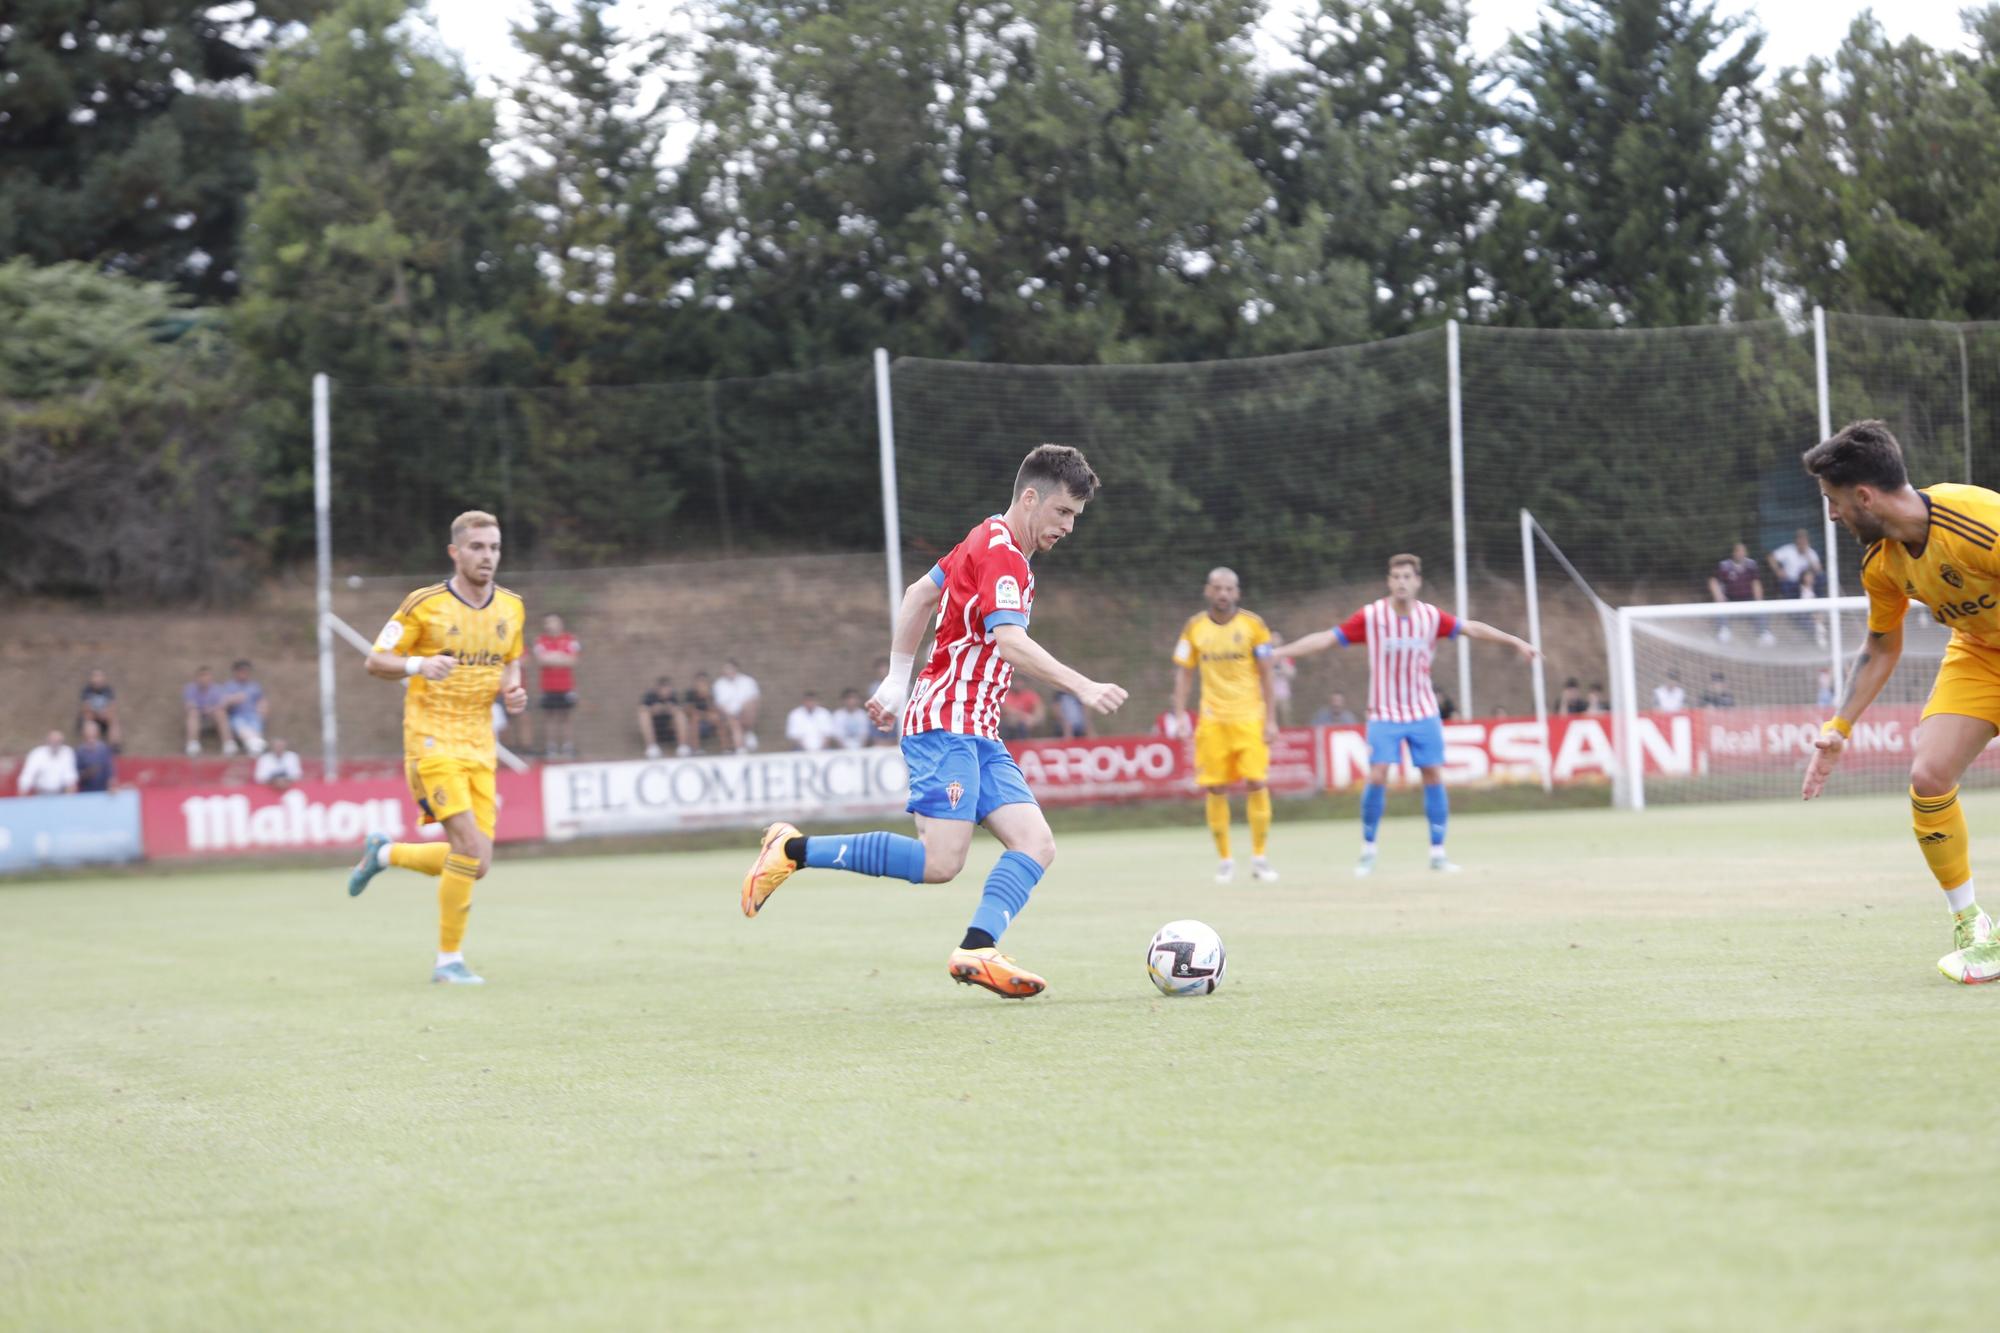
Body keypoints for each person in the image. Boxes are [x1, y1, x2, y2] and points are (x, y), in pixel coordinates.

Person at [739, 443, 1127, 999]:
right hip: (946, 721)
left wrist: (898, 679)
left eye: (1075, 517)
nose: (1068, 527)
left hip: (977, 728)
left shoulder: (987, 536)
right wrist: (1083, 684)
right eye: (1063, 513)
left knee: (1035, 843)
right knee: (941, 862)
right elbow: (1011, 643)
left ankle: (976, 949)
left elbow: (921, 594)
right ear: (1031, 497)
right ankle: (791, 851)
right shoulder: (1004, 555)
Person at [1799, 420, 2000, 983]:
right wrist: (1840, 726)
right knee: (1930, 776)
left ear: (1864, 496)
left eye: (1833, 502)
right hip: (1981, 654)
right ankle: (1975, 931)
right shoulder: (1882, 562)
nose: (1832, 515)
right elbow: (1882, 646)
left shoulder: (1979, 523)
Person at [346, 510, 528, 986]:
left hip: (479, 745)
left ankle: (383, 855)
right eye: (477, 547)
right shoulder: (423, 604)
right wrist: (417, 666)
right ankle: (448, 961)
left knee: (477, 862)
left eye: (493, 548)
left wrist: (513, 689)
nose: (487, 556)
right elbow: (375, 660)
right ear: (455, 552)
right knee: (467, 848)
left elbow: (512, 662)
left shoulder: (511, 607)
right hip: (430, 741)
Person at [1274, 552, 1537, 876]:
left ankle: (1438, 852)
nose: (1401, 582)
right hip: (1383, 712)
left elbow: (1472, 629)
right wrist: (1280, 653)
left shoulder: (1430, 617)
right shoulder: (1371, 616)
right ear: (1389, 581)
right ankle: (1368, 850)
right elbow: (1327, 638)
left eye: (1407, 577)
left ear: (1417, 582)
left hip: (1423, 711)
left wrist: (1514, 642)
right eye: (1396, 577)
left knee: (1433, 775)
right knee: (1377, 775)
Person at [1170, 567, 1280, 884]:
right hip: (1212, 721)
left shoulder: (1254, 626)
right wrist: (1179, 714)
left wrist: (1271, 718)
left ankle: (1259, 857)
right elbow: (1183, 673)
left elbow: (1268, 673)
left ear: (1237, 593)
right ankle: (1226, 860)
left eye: (1229, 589)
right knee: (1215, 787)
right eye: (1217, 588)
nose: (1223, 594)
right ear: (1208, 591)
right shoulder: (1194, 628)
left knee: (1257, 782)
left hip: (1250, 719)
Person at [533, 613, 581, 757]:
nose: (550, 626)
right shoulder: (540, 640)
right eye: (548, 623)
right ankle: (551, 747)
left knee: (566, 717)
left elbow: (573, 661)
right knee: (550, 717)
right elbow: (541, 661)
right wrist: (561, 657)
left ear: (560, 624)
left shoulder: (570, 640)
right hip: (548, 686)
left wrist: (552, 657)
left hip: (566, 686)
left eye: (553, 622)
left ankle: (567, 747)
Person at [1708, 540, 1771, 646]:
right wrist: (1719, 595)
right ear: (1733, 553)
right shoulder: (1724, 565)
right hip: (1730, 600)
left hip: (1748, 600)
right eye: (1738, 551)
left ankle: (1763, 633)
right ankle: (1724, 631)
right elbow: (1713, 581)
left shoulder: (1751, 564)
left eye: (1743, 551)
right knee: (1719, 607)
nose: (1741, 553)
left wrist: (1759, 600)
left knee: (1762, 608)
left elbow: (1756, 582)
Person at [220, 659, 270, 756]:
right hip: (236, 715)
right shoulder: (229, 686)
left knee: (255, 723)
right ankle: (255, 743)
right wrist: (233, 699)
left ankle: (254, 745)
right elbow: (222, 703)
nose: (244, 673)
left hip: (253, 715)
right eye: (241, 671)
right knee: (240, 725)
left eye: (246, 671)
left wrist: (263, 708)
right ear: (236, 672)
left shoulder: (254, 686)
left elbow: (262, 700)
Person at [713, 659, 761, 753]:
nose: (728, 672)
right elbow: (720, 704)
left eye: (730, 669)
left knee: (750, 706)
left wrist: (742, 709)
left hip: (745, 711)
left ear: (736, 669)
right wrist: (731, 713)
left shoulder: (748, 681)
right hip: (728, 714)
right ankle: (740, 749)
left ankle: (748, 732)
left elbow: (754, 698)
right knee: (734, 722)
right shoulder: (719, 684)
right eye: (726, 669)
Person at [638, 676, 690, 759]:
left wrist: (672, 709)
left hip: (670, 731)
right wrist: (652, 710)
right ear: (658, 689)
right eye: (664, 688)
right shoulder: (650, 696)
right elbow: (642, 709)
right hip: (655, 731)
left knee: (680, 714)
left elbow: (681, 709)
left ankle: (683, 747)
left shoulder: (673, 697)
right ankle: (652, 747)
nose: (667, 691)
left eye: (668, 688)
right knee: (643, 715)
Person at [182, 666, 230, 756]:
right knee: (193, 712)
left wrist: (211, 710)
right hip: (198, 718)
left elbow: (223, 704)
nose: (204, 679)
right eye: (202, 676)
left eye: (207, 676)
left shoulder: (217, 689)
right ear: (197, 678)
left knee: (221, 713)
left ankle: (228, 743)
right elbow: (189, 705)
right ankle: (192, 743)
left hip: (213, 718)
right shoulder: (190, 689)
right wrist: (201, 710)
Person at [18, 728, 78, 795]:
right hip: (41, 794)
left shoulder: (67, 753)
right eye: (53, 741)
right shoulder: (37, 754)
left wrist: (69, 799)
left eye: (58, 741)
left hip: (61, 794)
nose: (55, 744)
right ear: (47, 741)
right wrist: (22, 794)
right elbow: (27, 776)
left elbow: (70, 777)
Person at [1768, 527, 1823, 598]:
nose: (1802, 542)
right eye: (1800, 539)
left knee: (1821, 578)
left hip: (1807, 584)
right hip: (1791, 582)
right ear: (1796, 540)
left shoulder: (1811, 552)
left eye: (1804, 539)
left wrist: (1808, 556)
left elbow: (1819, 570)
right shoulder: (1788, 550)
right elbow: (1770, 557)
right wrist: (1778, 570)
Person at [77, 669, 120, 750]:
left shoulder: (108, 690)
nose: (97, 680)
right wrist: (96, 713)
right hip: (92, 715)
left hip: (104, 715)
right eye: (95, 677)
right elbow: (85, 707)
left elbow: (112, 706)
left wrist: (105, 713)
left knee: (114, 719)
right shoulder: (87, 690)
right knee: (87, 717)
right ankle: (89, 746)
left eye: (99, 677)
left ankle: (114, 746)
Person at [683, 673, 723, 753]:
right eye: (699, 681)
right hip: (695, 720)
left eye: (703, 681)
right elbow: (688, 710)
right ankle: (696, 749)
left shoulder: (710, 694)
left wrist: (707, 697)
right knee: (695, 718)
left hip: (707, 719)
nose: (701, 683)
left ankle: (725, 748)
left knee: (717, 718)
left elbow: (714, 710)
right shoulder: (690, 693)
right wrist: (701, 714)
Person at [74, 719, 114, 793]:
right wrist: (88, 773)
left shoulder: (104, 749)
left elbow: (110, 771)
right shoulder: (80, 752)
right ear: (84, 733)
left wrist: (111, 786)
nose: (91, 733)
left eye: (93, 730)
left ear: (97, 732)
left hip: (103, 791)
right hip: (86, 792)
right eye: (88, 731)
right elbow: (75, 775)